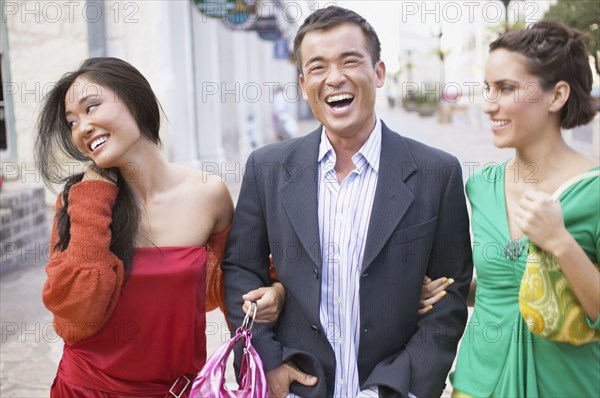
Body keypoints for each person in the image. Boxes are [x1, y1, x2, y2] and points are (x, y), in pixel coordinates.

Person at [222, 6, 473, 398]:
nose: (334, 78)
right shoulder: (267, 168)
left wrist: (399, 388)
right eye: (317, 67)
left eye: (350, 61)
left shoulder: (436, 173)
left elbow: (448, 301)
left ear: (378, 72)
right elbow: (240, 269)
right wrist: (267, 363)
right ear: (303, 83)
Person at [35, 57, 285, 397]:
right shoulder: (79, 202)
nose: (82, 128)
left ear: (135, 98)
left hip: (177, 390)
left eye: (92, 107)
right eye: (72, 123)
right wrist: (94, 194)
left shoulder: (207, 194)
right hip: (85, 388)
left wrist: (276, 292)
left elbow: (236, 283)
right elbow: (76, 318)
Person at [450, 21, 599, 397]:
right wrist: (447, 289)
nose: (489, 105)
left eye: (506, 88)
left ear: (557, 95)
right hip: (478, 382)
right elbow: (505, 283)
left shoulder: (594, 190)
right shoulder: (481, 187)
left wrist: (561, 242)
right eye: (488, 89)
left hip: (568, 386)